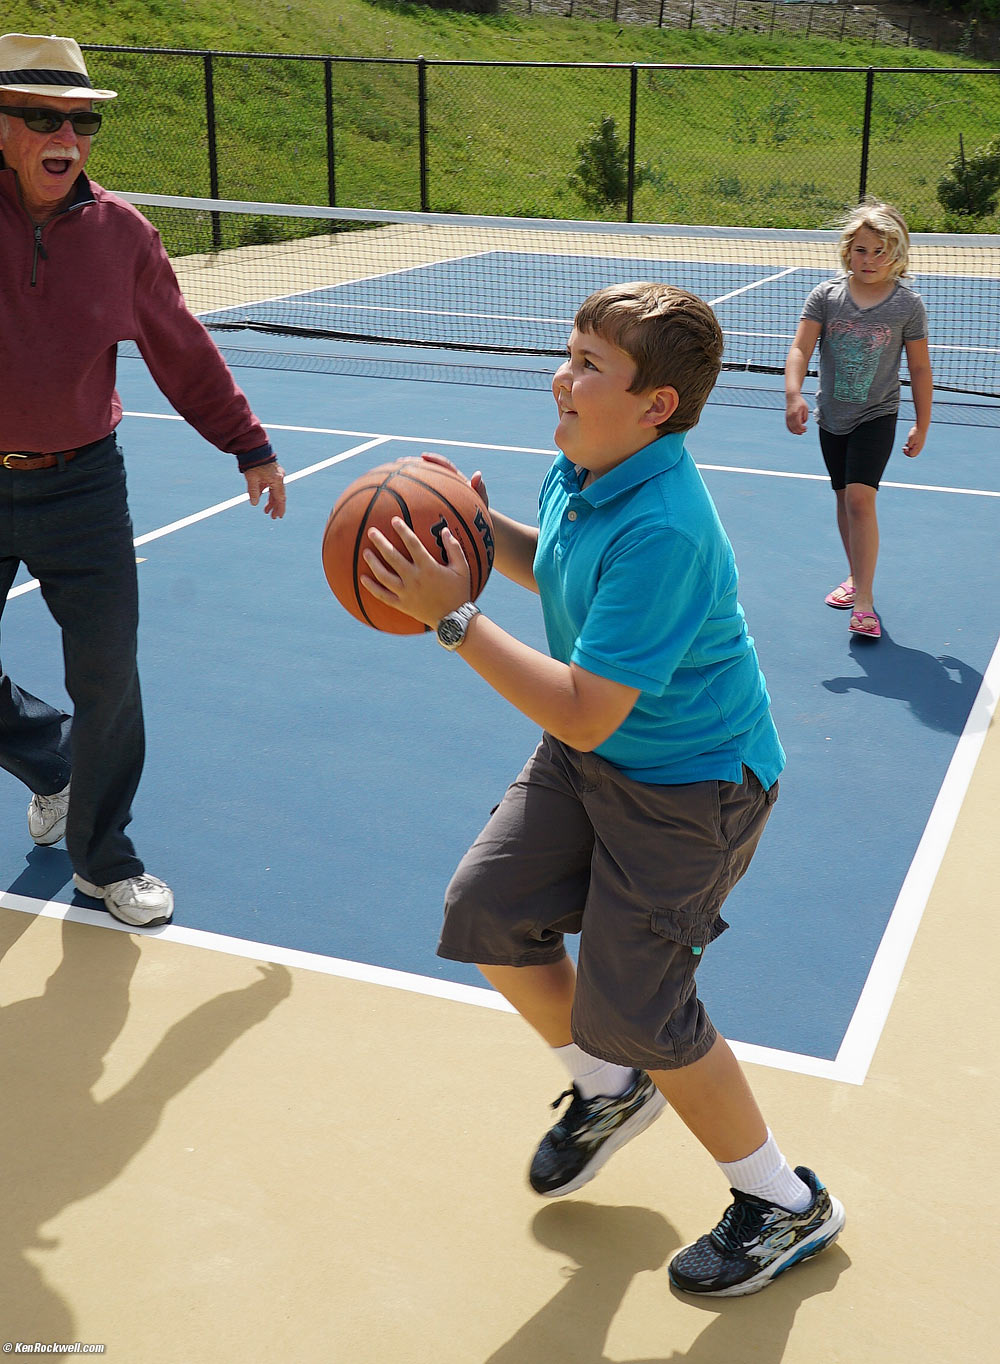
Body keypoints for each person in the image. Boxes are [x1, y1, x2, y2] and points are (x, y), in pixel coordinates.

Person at [360, 280, 845, 1297]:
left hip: (690, 785)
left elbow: (583, 705)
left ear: (655, 404)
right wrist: (477, 533)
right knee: (485, 910)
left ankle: (782, 1202)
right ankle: (607, 1087)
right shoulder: (585, 463)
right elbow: (560, 574)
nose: (561, 376)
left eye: (588, 363)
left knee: (642, 1008)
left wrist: (455, 617)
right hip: (594, 759)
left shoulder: (664, 525)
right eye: (568, 350)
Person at [0, 33, 287, 928]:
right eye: (44, 117)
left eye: (81, 121)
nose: (68, 136)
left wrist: (247, 443)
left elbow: (180, 349)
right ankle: (53, 765)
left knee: (108, 677)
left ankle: (104, 858)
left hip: (82, 486)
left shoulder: (122, 235)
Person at [784, 199, 933, 641]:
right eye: (863, 250)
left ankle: (864, 603)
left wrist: (922, 424)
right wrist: (794, 395)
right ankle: (855, 578)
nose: (870, 260)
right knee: (843, 497)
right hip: (833, 415)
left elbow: (920, 369)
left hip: (877, 415)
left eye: (881, 251)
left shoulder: (907, 305)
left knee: (859, 501)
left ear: (897, 255)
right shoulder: (825, 297)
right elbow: (799, 350)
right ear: (848, 250)